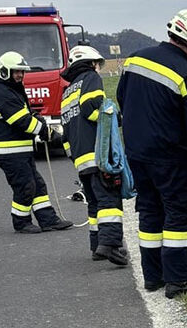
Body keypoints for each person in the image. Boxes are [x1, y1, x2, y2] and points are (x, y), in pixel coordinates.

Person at [117, 9, 187, 298]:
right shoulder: (186, 73)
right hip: (170, 156)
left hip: (136, 153)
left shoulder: (134, 59)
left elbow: (122, 98)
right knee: (178, 213)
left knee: (149, 211)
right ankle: (178, 279)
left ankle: (153, 276)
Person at [0, 51, 72, 234]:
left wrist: (35, 117)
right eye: (16, 71)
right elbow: (22, 121)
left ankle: (48, 220)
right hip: (8, 151)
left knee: (37, 185)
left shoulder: (11, 89)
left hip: (19, 150)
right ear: (4, 71)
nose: (20, 75)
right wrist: (47, 132)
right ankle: (21, 222)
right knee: (25, 186)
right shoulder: (3, 93)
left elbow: (25, 114)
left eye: (22, 71)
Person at [61, 45, 128, 266]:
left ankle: (96, 245)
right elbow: (91, 109)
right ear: (91, 63)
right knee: (109, 199)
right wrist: (116, 117)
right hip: (98, 155)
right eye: (97, 64)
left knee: (94, 203)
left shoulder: (67, 92)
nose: (98, 68)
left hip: (80, 159)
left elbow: (65, 134)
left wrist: (75, 158)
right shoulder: (90, 78)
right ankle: (110, 246)